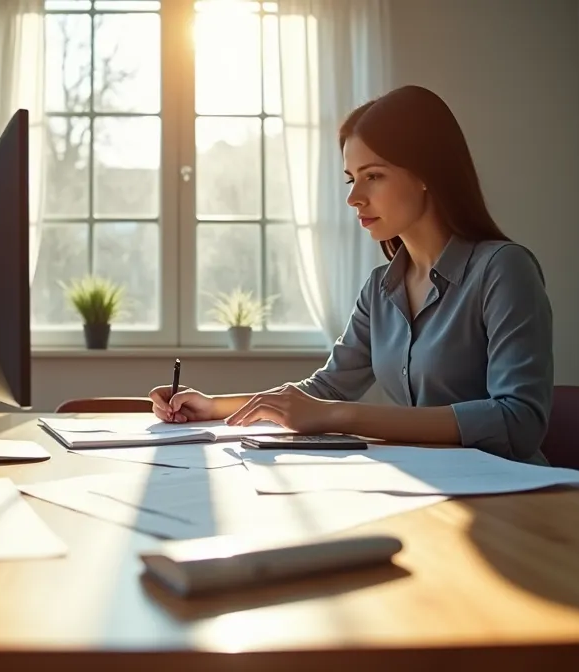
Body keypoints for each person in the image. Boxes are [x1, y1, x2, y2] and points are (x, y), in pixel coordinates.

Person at [149, 84, 555, 465]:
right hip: (429, 484)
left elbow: (517, 421)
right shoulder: (381, 289)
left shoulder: (503, 269)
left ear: (426, 173)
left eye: (373, 176)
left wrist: (341, 416)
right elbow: (324, 391)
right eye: (351, 178)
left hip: (508, 497)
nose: (353, 197)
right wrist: (213, 405)